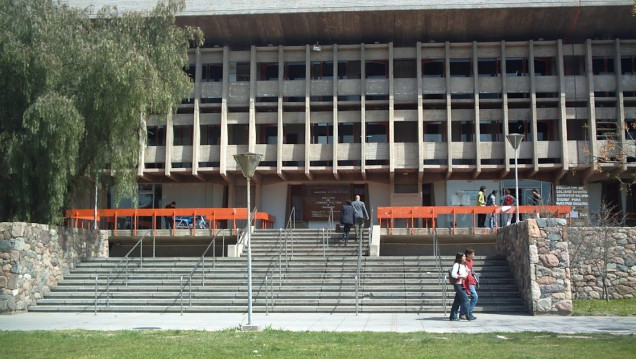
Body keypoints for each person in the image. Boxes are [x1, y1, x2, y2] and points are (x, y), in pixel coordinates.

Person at [449, 252, 475, 321]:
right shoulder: (456, 265)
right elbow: (453, 274)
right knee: (465, 300)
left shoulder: (464, 265)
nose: (465, 257)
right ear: (460, 258)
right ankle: (467, 315)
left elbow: (466, 274)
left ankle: (453, 316)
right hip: (458, 284)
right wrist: (461, 276)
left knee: (457, 301)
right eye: (463, 256)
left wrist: (467, 272)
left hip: (463, 284)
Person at [459, 248, 478, 320]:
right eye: (472, 254)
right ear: (468, 254)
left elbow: (470, 271)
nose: (474, 255)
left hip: (471, 281)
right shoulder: (464, 262)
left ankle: (463, 314)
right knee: (474, 296)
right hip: (466, 281)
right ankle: (468, 312)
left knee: (465, 299)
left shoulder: (471, 261)